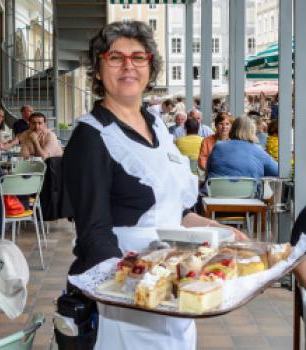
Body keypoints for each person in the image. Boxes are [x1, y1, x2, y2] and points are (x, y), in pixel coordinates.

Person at [63, 20, 246, 350]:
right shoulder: (90, 137)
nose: (128, 66)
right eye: (115, 57)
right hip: (122, 300)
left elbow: (175, 210)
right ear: (98, 67)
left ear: (151, 66)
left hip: (169, 291)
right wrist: (137, 282)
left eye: (138, 57)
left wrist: (218, 230)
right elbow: (93, 234)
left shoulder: (157, 127)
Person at [207, 116, 278, 181]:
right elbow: (277, 171)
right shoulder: (258, 150)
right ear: (252, 132)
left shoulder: (218, 146)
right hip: (249, 194)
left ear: (233, 129)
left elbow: (208, 169)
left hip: (217, 193)